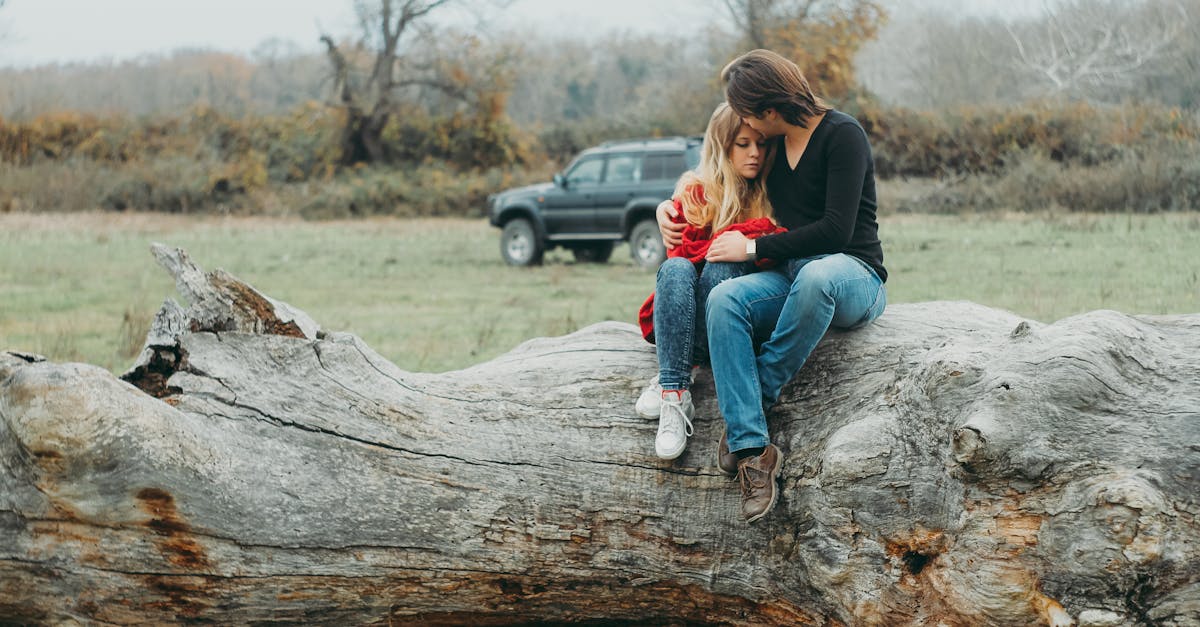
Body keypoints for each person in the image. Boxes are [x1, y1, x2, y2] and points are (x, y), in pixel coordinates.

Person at [658, 49, 888, 523]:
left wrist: (750, 251)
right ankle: (753, 451)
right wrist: (669, 207)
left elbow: (836, 230)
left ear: (767, 108)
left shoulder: (843, 135)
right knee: (724, 299)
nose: (746, 126)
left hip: (851, 274)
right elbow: (717, 179)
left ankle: (754, 399)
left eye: (745, 111)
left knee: (817, 275)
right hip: (790, 274)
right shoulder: (773, 147)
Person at [635, 102, 783, 461]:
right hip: (687, 312)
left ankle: (675, 373)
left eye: (761, 145)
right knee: (674, 270)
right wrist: (664, 210)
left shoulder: (771, 192)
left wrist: (744, 244)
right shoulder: (696, 192)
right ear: (722, 145)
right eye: (743, 144)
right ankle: (675, 394)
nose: (755, 154)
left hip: (733, 322)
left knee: (720, 268)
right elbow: (679, 261)